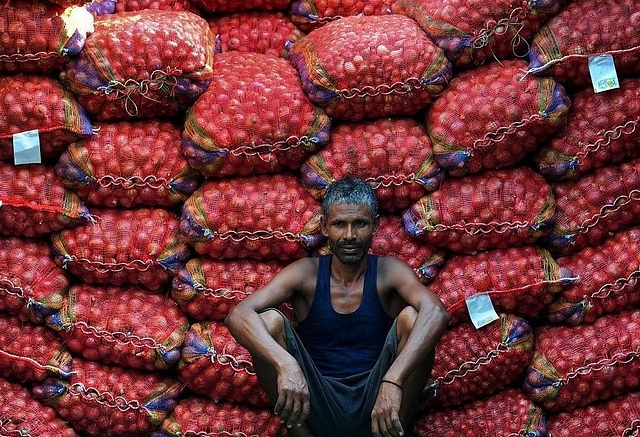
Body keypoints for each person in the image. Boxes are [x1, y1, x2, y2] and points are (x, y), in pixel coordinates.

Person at [225, 176, 450, 437]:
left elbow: (436, 312)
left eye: (360, 224)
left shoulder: (389, 272)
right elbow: (239, 313)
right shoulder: (305, 274)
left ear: (375, 226)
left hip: (379, 405)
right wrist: (285, 364)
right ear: (324, 227)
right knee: (268, 322)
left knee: (414, 318)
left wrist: (392, 380)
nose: (350, 235)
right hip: (318, 403)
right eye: (340, 224)